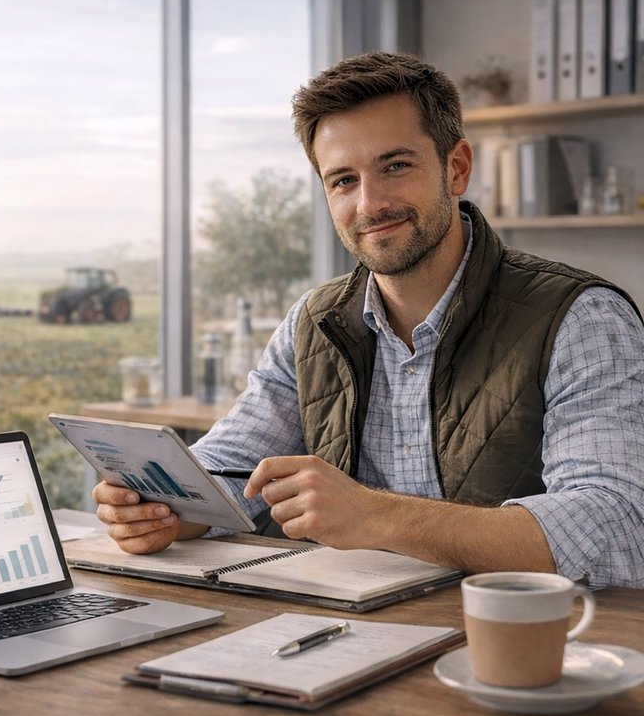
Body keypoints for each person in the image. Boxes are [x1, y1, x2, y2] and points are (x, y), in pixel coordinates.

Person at [94, 51, 644, 588]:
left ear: (456, 169)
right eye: (343, 181)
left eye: (395, 166)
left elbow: (615, 528)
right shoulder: (313, 322)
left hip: (526, 646)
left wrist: (374, 516)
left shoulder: (582, 318)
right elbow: (227, 470)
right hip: (344, 636)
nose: (369, 204)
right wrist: (158, 509)